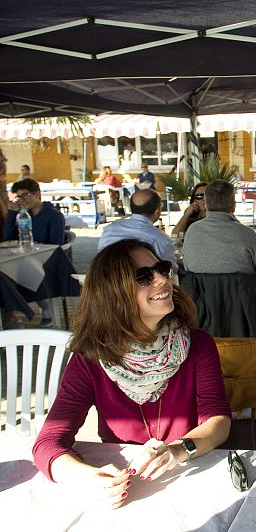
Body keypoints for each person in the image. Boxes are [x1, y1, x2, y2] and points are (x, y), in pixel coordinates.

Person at [32, 239, 231, 508]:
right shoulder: (90, 359)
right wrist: (88, 478)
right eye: (144, 276)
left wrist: (179, 449)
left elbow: (218, 421)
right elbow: (47, 443)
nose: (162, 279)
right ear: (113, 294)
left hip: (190, 478)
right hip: (128, 488)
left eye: (162, 269)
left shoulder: (197, 344)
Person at [3, 177, 66, 327]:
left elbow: (56, 244)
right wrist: (12, 213)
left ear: (37, 194)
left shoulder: (54, 215)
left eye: (26, 194)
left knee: (17, 272)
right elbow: (8, 239)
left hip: (48, 261)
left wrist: (35, 248)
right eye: (19, 196)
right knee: (4, 275)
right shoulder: (24, 215)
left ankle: (41, 310)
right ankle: (10, 316)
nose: (22, 199)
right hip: (24, 258)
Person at [182, 179, 256, 276]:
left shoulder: (192, 231)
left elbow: (186, 265)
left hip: (200, 286)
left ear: (206, 204)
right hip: (242, 286)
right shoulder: (247, 234)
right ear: (234, 206)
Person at [98, 189, 175, 265]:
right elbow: (171, 268)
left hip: (105, 272)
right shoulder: (161, 240)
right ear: (157, 211)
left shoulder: (109, 230)